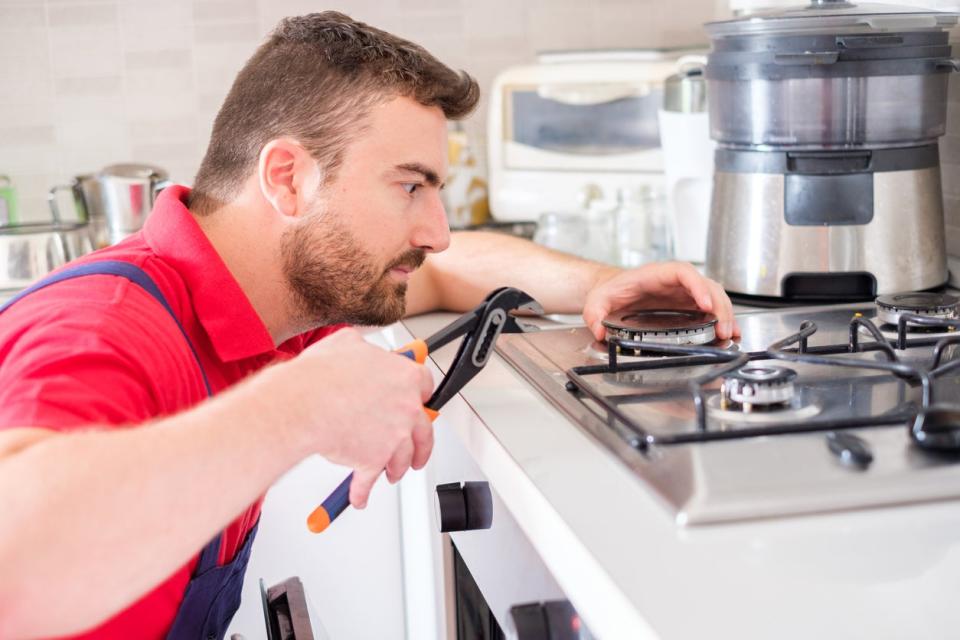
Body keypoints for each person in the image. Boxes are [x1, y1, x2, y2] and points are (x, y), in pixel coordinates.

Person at [0, 12, 738, 640]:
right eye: (410, 186)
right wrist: (297, 408)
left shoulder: (277, 301)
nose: (437, 231)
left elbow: (447, 273)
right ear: (288, 177)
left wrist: (601, 285)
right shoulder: (106, 327)